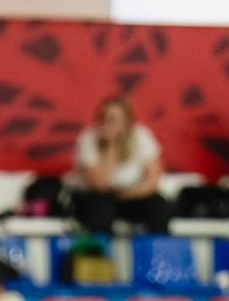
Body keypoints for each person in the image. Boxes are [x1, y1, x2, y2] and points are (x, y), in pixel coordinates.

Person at [69, 94, 166, 235]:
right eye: (104, 117)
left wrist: (129, 194)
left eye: (113, 118)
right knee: (101, 210)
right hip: (99, 198)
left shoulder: (141, 135)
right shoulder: (89, 138)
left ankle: (158, 254)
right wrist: (109, 146)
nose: (108, 122)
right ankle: (98, 255)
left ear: (127, 119)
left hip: (133, 195)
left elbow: (153, 180)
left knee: (159, 208)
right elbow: (100, 184)